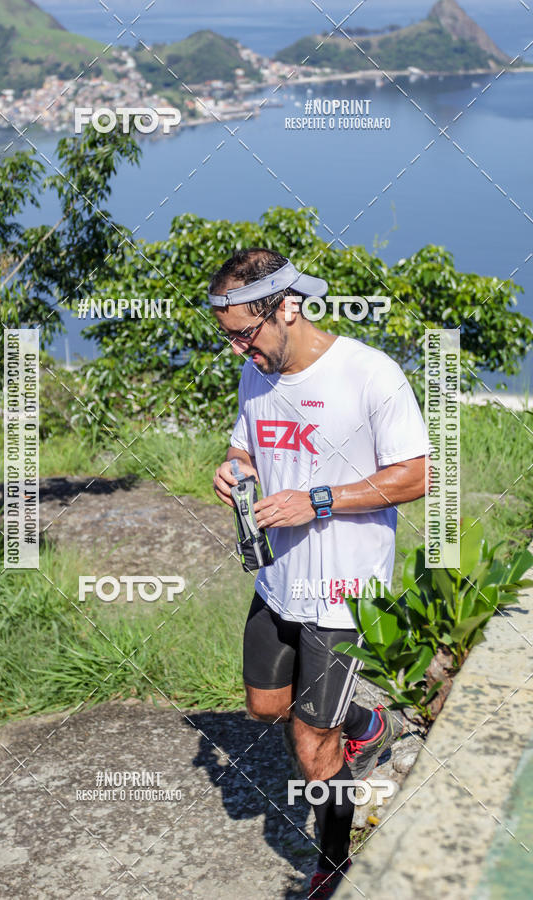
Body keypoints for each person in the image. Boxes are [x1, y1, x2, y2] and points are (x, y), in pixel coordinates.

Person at [210, 248, 429, 898]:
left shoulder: (370, 373)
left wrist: (320, 500)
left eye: (244, 334)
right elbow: (244, 445)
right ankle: (368, 725)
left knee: (312, 745)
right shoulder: (256, 371)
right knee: (265, 707)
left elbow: (418, 474)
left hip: (343, 595)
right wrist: (234, 469)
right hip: (277, 580)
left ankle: (334, 865)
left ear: (287, 308)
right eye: (229, 337)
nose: (236, 349)